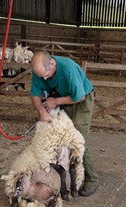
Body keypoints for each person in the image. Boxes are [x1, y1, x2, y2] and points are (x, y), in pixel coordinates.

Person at [30, 51, 98, 196]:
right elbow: (35, 94)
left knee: (78, 139)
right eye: (41, 76)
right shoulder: (40, 71)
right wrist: (42, 111)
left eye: (46, 75)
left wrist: (54, 101)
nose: (44, 78)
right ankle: (67, 175)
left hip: (82, 101)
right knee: (59, 137)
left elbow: (78, 96)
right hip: (61, 98)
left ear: (52, 63)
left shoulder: (68, 69)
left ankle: (92, 179)